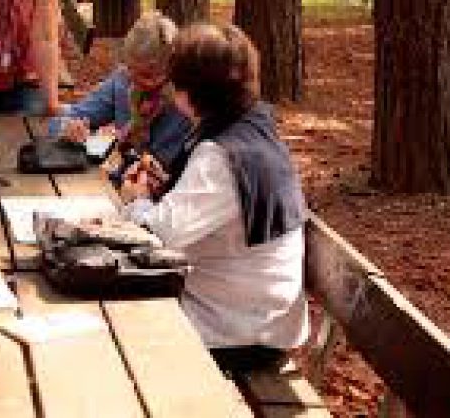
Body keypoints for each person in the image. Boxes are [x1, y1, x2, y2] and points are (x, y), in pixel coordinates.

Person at [120, 23, 309, 373]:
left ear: (191, 92)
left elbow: (155, 239)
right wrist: (164, 189)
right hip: (262, 319)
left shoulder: (221, 155)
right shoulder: (253, 129)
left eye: (176, 85)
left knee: (117, 336)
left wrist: (136, 200)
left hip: (240, 333)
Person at [48, 12, 191, 189]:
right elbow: (60, 121)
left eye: (148, 75)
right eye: (132, 70)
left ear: (172, 69)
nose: (136, 81)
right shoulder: (122, 81)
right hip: (119, 187)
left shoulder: (187, 104)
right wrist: (68, 129)